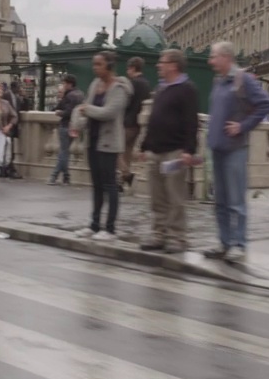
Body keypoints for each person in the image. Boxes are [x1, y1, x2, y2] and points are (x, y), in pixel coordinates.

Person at [204, 41, 269, 262]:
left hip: (235, 149)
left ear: (226, 57)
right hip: (217, 149)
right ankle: (224, 243)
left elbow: (266, 104)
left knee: (236, 201)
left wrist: (242, 126)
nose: (211, 61)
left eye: (214, 56)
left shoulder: (242, 80)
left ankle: (239, 244)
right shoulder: (218, 81)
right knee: (221, 202)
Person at [139, 49, 200, 253]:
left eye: (161, 62)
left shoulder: (187, 89)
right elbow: (153, 120)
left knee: (175, 197)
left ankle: (177, 237)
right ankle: (159, 234)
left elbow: (192, 122)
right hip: (156, 151)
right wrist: (145, 145)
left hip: (174, 152)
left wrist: (189, 150)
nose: (158, 65)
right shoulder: (161, 88)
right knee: (157, 198)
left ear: (173, 65)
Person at [71, 51, 133, 242]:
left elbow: (109, 112)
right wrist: (78, 123)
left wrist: (86, 109)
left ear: (109, 66)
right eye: (94, 64)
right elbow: (84, 109)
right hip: (93, 141)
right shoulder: (94, 84)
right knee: (96, 185)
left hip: (109, 143)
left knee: (110, 185)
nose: (94, 67)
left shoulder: (119, 88)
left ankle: (110, 228)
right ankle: (94, 224)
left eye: (98, 64)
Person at [119, 57, 152, 191]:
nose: (127, 71)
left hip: (127, 122)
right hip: (138, 124)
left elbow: (125, 103)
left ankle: (126, 175)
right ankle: (121, 182)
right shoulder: (146, 84)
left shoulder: (131, 84)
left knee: (115, 150)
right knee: (127, 152)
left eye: (128, 68)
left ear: (133, 68)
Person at [48, 75, 83, 185]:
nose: (63, 86)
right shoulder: (80, 95)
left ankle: (54, 176)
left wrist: (59, 112)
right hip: (75, 126)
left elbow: (66, 111)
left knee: (63, 152)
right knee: (65, 151)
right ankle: (66, 177)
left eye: (64, 83)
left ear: (69, 84)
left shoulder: (69, 96)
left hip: (65, 125)